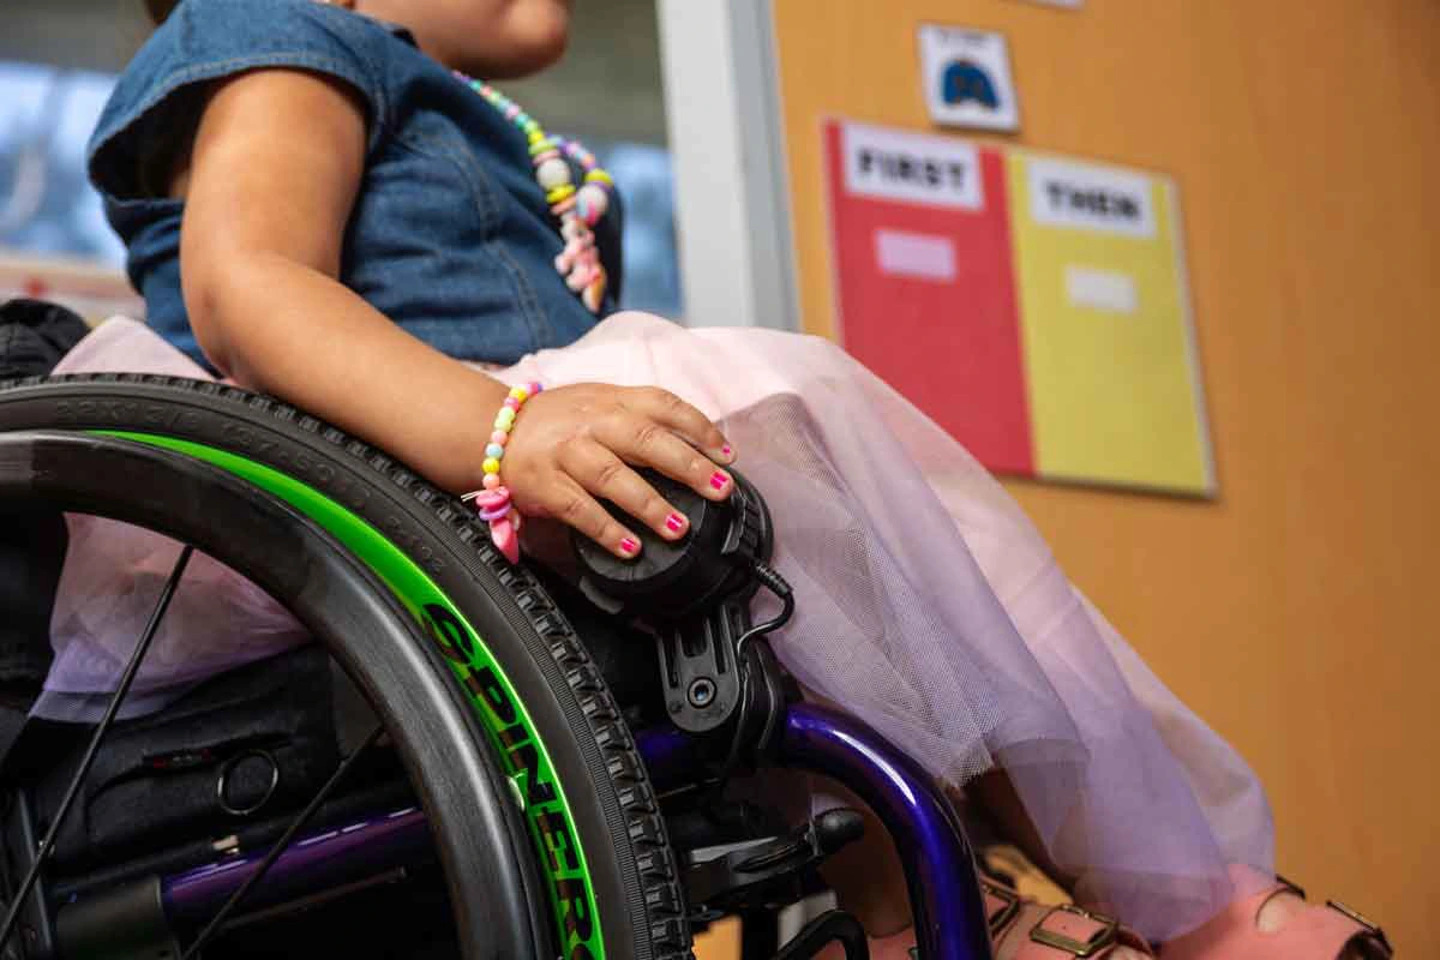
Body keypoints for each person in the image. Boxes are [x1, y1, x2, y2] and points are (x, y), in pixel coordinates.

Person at [50, 0, 1389, 956]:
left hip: (483, 496)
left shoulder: (452, 100)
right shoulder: (273, 29)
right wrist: (507, 429)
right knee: (761, 408)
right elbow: (246, 286)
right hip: (379, 499)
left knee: (836, 519)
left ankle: (1046, 882)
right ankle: (1105, 897)